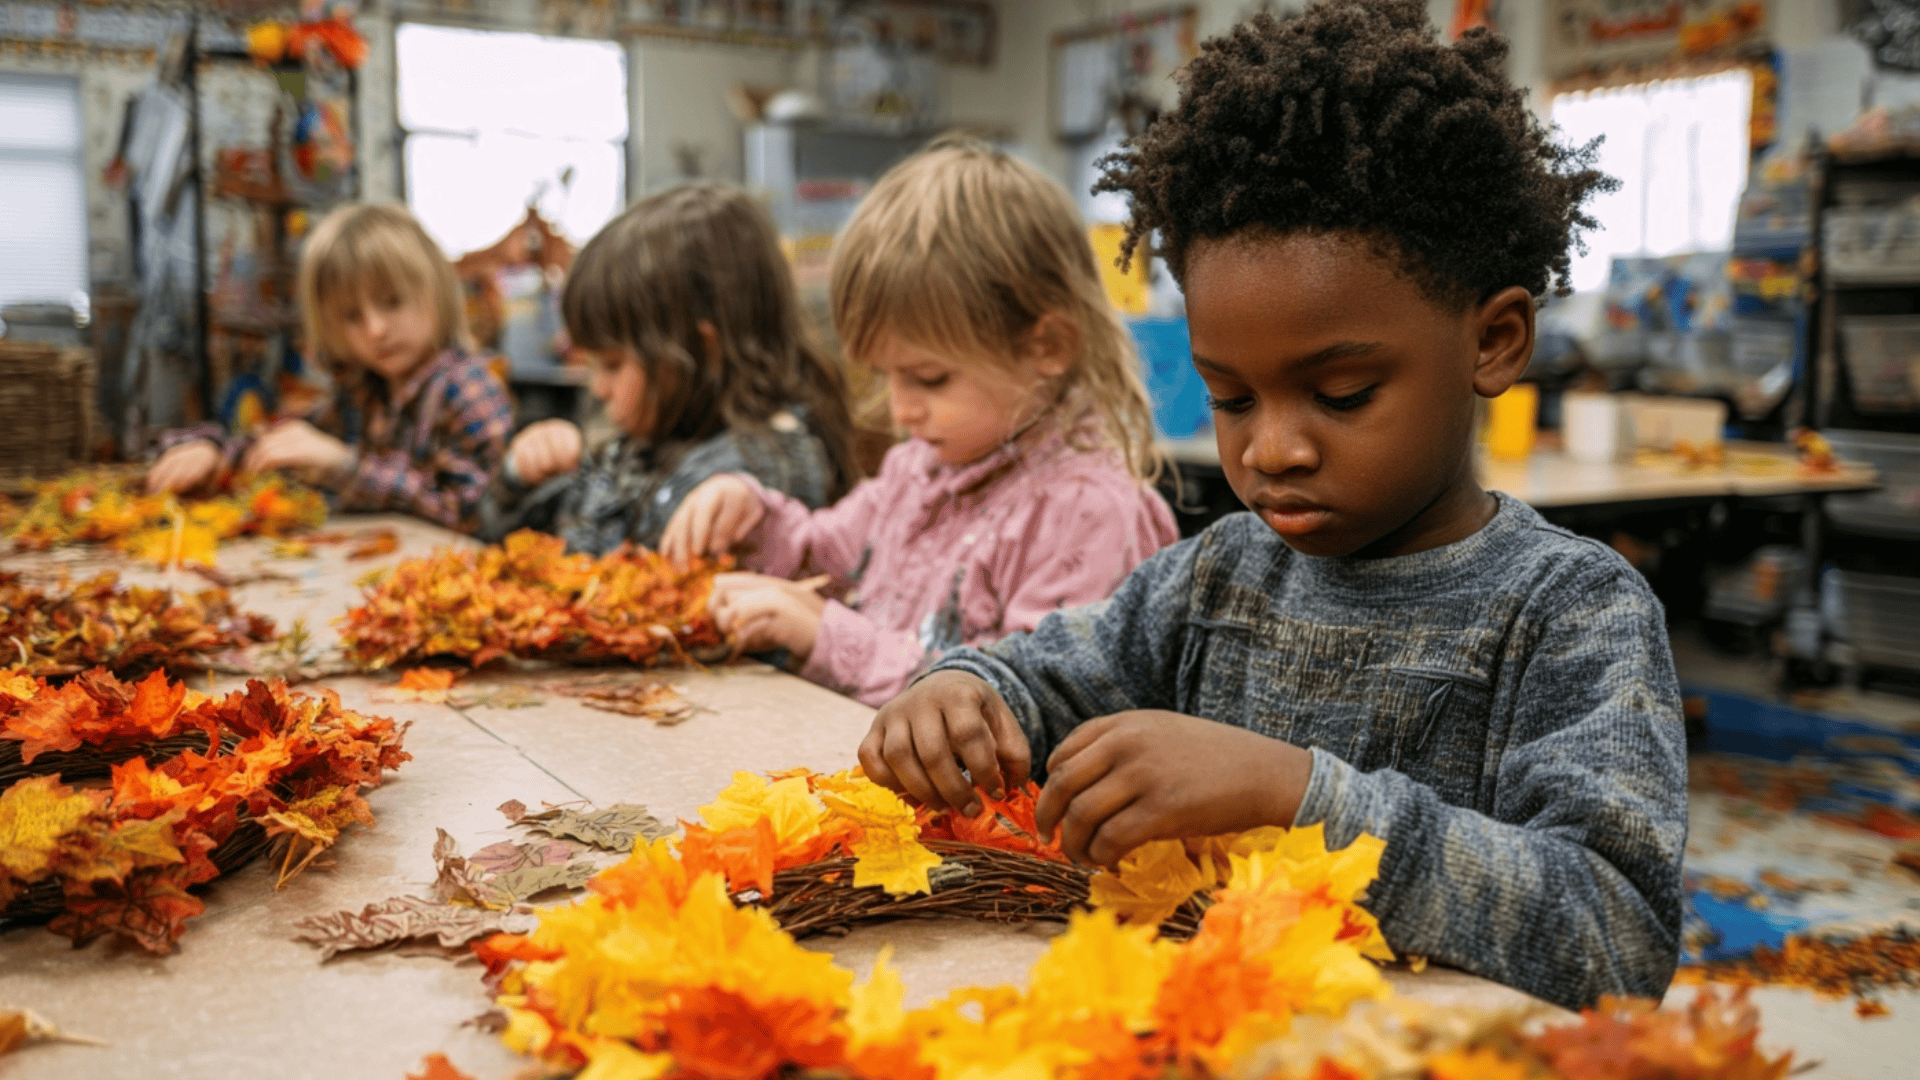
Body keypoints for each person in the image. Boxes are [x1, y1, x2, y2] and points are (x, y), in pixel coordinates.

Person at [858, 0, 1682, 1013]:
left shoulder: (1570, 610)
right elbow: (1040, 677)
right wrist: (960, 691)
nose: (1271, 449)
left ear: (1494, 341)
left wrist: (1299, 796)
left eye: (1343, 394)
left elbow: (1614, 937)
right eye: (1232, 398)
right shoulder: (1219, 576)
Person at [659, 137, 1179, 707]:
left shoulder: (1086, 513)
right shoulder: (918, 469)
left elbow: (1028, 704)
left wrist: (834, 641)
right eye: (887, 376)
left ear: (1047, 347)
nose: (901, 410)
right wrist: (751, 517)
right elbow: (822, 557)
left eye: (929, 379)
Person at [479, 183, 860, 553]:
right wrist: (519, 476)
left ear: (702, 350)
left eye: (612, 365)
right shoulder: (656, 435)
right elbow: (506, 540)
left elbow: (604, 565)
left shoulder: (755, 476)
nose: (598, 387)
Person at [148, 204, 514, 532]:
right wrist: (212, 450)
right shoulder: (363, 392)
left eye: (392, 302)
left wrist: (345, 467)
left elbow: (473, 515)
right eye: (352, 316)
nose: (375, 329)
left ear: (436, 292)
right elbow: (285, 442)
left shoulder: (468, 388)